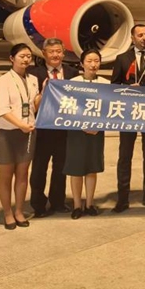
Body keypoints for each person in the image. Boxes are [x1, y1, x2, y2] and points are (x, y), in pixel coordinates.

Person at [110, 24, 145, 212]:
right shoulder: (122, 59)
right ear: (132, 38)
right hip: (128, 114)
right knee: (124, 157)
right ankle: (122, 198)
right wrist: (128, 89)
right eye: (140, 35)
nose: (144, 38)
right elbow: (114, 87)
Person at [27, 38, 79, 218]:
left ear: (64, 53)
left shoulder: (72, 72)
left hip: (64, 130)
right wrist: (43, 92)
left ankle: (58, 201)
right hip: (43, 129)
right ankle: (38, 204)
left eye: (59, 51)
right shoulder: (34, 74)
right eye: (51, 51)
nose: (55, 55)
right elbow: (31, 103)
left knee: (61, 167)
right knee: (39, 169)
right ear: (44, 53)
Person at [0, 44, 39, 229]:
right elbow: (3, 110)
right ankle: (7, 212)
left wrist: (45, 92)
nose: (26, 59)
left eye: (28, 56)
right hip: (7, 132)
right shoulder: (3, 81)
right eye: (22, 56)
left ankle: (19, 211)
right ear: (12, 58)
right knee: (6, 175)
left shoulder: (33, 79)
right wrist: (21, 125)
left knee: (22, 174)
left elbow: (33, 105)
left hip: (28, 131)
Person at [64, 49, 110, 219]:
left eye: (96, 61)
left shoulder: (105, 83)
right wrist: (81, 125)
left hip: (96, 131)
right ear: (82, 64)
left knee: (92, 167)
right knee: (76, 169)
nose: (93, 64)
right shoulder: (73, 83)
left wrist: (99, 125)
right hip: (76, 131)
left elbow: (109, 109)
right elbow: (68, 108)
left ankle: (89, 203)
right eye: (89, 61)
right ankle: (77, 205)